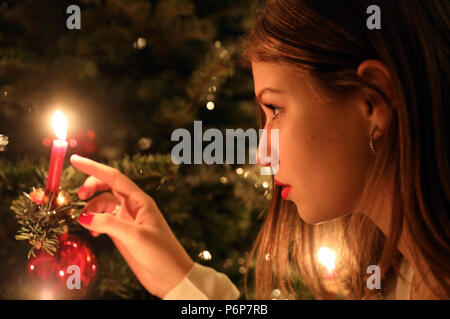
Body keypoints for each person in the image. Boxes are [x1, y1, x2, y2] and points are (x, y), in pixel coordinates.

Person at [71, 0, 449, 300]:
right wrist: (179, 278)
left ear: (373, 101)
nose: (260, 154)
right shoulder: (399, 279)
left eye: (275, 109)